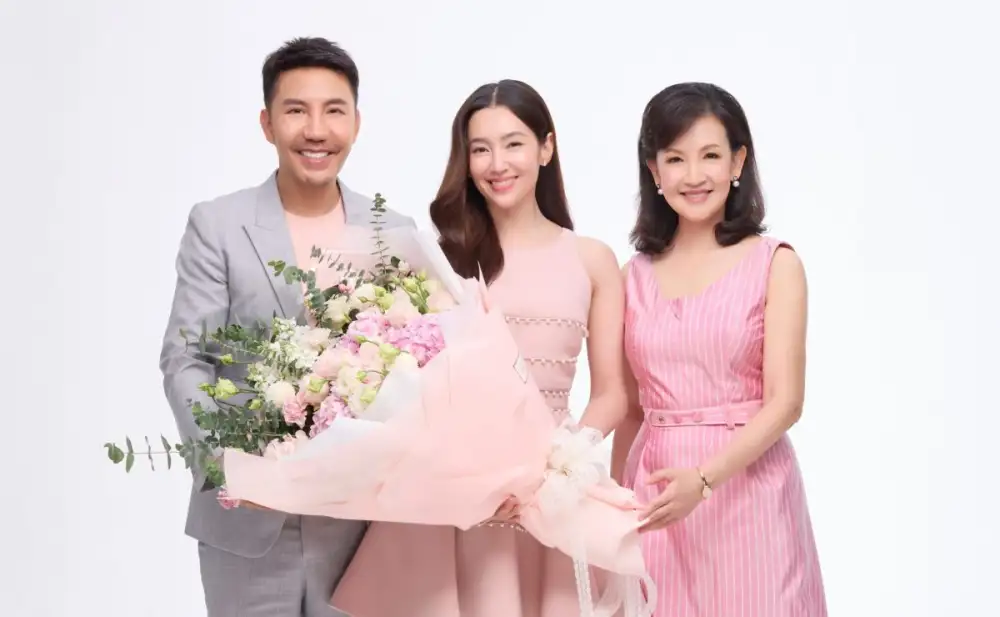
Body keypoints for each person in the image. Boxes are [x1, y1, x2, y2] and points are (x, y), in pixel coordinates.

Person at [330, 79, 628, 617]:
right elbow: (411, 380)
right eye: (480, 149)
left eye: (514, 144)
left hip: (551, 496)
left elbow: (612, 394)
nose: (498, 163)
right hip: (453, 496)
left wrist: (558, 468)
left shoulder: (591, 259)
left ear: (546, 147)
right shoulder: (439, 260)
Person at [159, 37, 414, 617]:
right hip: (246, 523)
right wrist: (230, 467)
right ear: (267, 123)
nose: (316, 130)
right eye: (296, 110)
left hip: (359, 525)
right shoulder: (218, 225)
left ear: (356, 123)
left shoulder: (392, 233)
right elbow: (185, 359)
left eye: (334, 110)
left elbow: (411, 370)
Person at [609, 82, 828, 616]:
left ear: (738, 161)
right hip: (657, 496)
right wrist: (616, 505)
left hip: (749, 492)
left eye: (710, 155)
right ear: (654, 171)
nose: (694, 175)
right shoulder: (632, 277)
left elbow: (786, 403)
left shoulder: (775, 263)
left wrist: (704, 481)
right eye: (675, 159)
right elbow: (632, 409)